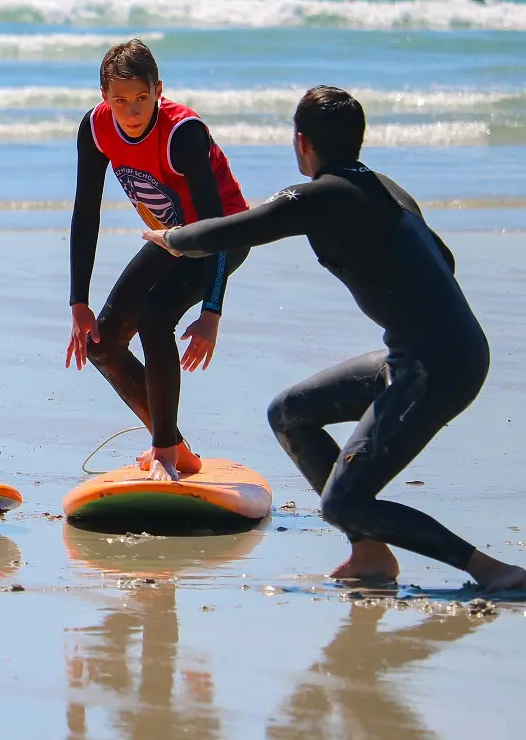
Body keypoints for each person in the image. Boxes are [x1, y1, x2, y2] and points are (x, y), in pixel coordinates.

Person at [142, 85, 526, 593]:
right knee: (289, 413)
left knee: (343, 500)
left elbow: (239, 229)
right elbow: (444, 260)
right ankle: (369, 554)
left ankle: (489, 569)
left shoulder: (322, 195)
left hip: (437, 365)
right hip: (423, 353)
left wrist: (171, 239)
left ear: (302, 142)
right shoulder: (384, 188)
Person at [66, 39, 251, 481]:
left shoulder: (182, 132)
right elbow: (85, 211)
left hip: (222, 235)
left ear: (159, 90)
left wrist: (212, 311)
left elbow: (215, 227)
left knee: (154, 317)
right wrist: (78, 301)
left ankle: (164, 450)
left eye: (142, 99)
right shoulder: (95, 129)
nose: (131, 112)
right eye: (119, 101)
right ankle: (177, 447)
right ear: (104, 99)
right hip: (170, 238)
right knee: (103, 344)